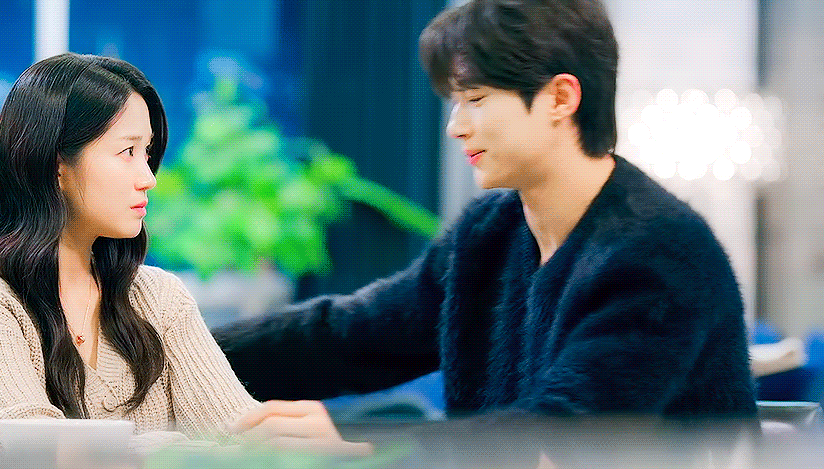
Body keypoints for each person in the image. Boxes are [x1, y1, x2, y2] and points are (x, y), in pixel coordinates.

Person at [219, 0, 758, 434]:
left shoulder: (661, 252)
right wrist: (177, 352)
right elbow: (351, 336)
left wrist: (355, 443)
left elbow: (559, 438)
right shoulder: (488, 232)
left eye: (475, 98)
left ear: (560, 98)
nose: (456, 126)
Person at [0, 53, 366, 456]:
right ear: (56, 165)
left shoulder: (158, 297)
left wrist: (284, 441)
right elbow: (27, 453)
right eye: (127, 151)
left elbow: (237, 431)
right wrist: (200, 452)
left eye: (147, 153)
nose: (148, 177)